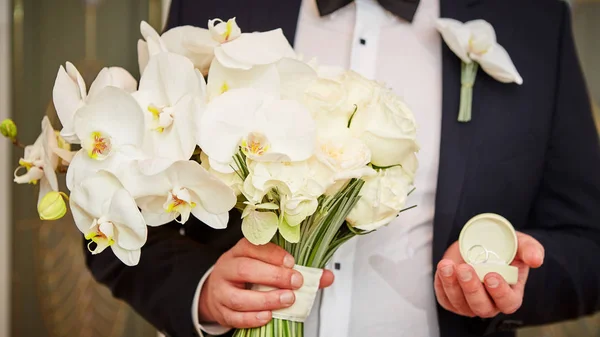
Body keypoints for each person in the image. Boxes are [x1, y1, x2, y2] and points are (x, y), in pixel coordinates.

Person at [85, 0, 600, 337]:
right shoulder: (216, 10)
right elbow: (121, 215)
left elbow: (589, 244)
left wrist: (515, 281)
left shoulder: (532, 19)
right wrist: (202, 290)